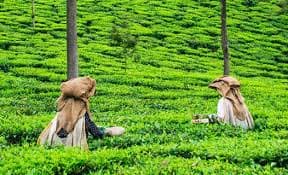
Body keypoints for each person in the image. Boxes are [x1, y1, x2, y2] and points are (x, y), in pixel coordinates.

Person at [37, 77, 125, 150]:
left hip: (53, 143)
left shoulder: (64, 106)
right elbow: (95, 132)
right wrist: (107, 131)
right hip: (69, 146)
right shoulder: (80, 110)